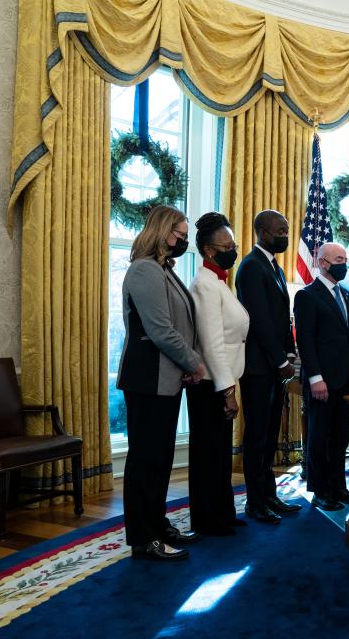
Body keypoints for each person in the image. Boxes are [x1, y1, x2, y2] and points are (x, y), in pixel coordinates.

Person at [117, 205, 205, 562]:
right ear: (162, 230)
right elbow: (160, 330)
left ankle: (156, 522)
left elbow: (180, 325)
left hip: (165, 378)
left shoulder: (163, 269)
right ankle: (143, 538)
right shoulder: (144, 270)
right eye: (179, 235)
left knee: (160, 459)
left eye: (184, 237)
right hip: (147, 378)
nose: (183, 241)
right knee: (145, 461)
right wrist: (194, 362)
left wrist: (185, 363)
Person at [236, 209, 302, 525]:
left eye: (287, 230)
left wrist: (288, 354)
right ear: (262, 232)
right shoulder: (251, 267)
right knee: (257, 437)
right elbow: (260, 321)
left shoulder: (273, 266)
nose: (285, 235)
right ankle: (255, 501)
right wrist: (279, 361)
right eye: (280, 230)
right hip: (259, 368)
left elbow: (281, 318)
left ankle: (269, 494)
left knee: (271, 434)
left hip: (275, 366)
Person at [186, 212, 249, 536]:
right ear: (210, 250)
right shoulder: (205, 285)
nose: (233, 249)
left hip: (221, 379)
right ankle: (208, 518)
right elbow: (211, 343)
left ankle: (222, 512)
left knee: (220, 454)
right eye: (227, 245)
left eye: (234, 244)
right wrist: (228, 390)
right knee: (209, 454)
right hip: (212, 383)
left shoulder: (219, 281)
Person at [293, 242, 349, 511]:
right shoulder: (307, 296)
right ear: (323, 262)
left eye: (345, 258)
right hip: (322, 380)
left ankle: (337, 486)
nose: (344, 263)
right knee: (319, 435)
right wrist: (315, 378)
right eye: (339, 259)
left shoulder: (347, 296)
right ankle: (320, 489)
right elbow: (306, 340)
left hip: (346, 378)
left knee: (338, 437)